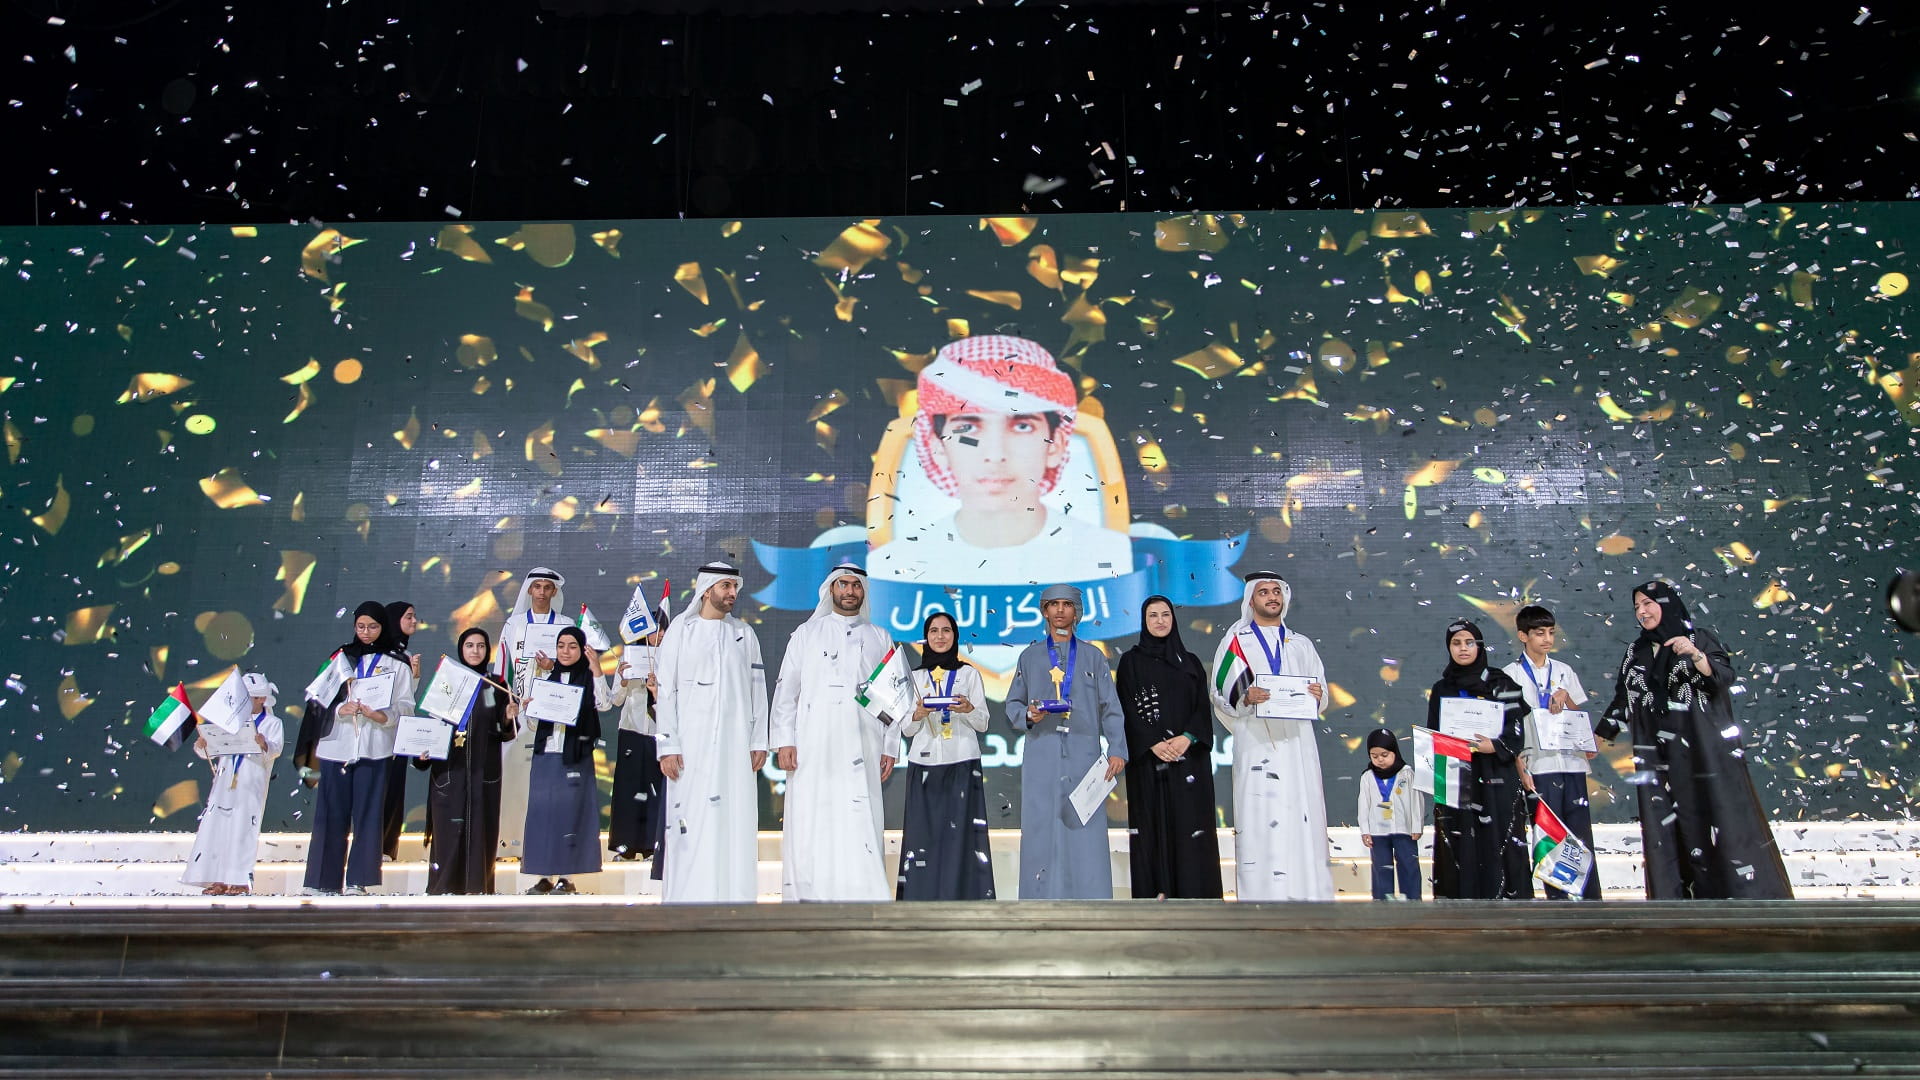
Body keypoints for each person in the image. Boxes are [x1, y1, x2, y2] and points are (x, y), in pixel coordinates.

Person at [866, 334, 1132, 586]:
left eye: (1022, 427)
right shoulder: (892, 566)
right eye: (967, 428)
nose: (994, 455)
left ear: (1055, 445)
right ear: (937, 447)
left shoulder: (1109, 556)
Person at [1597, 581, 1792, 899]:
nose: (1642, 611)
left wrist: (1696, 656)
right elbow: (1624, 699)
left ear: (1667, 603)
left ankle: (1738, 894)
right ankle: (1675, 900)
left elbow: (1724, 677)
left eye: (1648, 603)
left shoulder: (1698, 638)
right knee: (1668, 826)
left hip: (1704, 754)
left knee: (1716, 817)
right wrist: (1598, 736)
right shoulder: (1637, 650)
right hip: (1658, 759)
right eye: (1636, 607)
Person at [770, 564, 898, 902]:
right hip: (813, 742)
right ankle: (810, 891)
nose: (850, 591)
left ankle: (864, 891)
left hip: (864, 741)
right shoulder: (806, 634)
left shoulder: (880, 636)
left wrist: (891, 746)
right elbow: (787, 692)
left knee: (860, 814)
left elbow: (893, 698)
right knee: (814, 814)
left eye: (857, 585)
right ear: (831, 589)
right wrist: (784, 739)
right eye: (844, 584)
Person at [1208, 572, 1335, 902]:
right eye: (1263, 592)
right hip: (1256, 744)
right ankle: (1259, 898)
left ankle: (1310, 895)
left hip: (1298, 745)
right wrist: (1246, 698)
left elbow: (1321, 692)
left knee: (1302, 813)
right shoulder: (1236, 641)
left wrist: (1318, 694)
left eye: (1276, 591)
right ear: (1251, 600)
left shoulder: (1301, 643)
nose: (1271, 597)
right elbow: (1220, 693)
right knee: (1259, 816)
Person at [655, 562, 771, 903]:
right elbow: (665, 692)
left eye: (735, 587)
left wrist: (759, 740)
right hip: (689, 747)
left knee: (733, 820)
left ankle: (733, 898)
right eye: (726, 587)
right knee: (689, 820)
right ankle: (687, 900)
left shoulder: (744, 634)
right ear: (707, 590)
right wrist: (667, 745)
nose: (732, 594)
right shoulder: (681, 629)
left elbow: (757, 690)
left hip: (735, 747)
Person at [1004, 583, 1128, 899]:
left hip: (1086, 756)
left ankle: (1093, 902)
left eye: (1067, 604)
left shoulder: (1093, 657)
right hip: (1041, 754)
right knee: (1041, 828)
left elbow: (1111, 708)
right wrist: (1029, 716)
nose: (1060, 610)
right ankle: (1038, 902)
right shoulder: (1030, 656)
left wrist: (1117, 749)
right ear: (1044, 611)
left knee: (1085, 829)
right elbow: (1013, 706)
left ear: (1077, 612)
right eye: (1054, 604)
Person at [303, 601, 414, 895]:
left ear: (383, 627)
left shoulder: (397, 661)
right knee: (330, 815)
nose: (366, 632)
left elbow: (406, 706)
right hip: (336, 746)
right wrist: (341, 708)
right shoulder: (340, 658)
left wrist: (383, 716)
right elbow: (316, 698)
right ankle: (321, 881)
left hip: (375, 748)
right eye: (361, 627)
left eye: (373, 626)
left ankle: (358, 881)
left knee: (368, 815)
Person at [1116, 595, 1222, 899]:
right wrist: (1152, 743)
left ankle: (1197, 896)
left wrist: (1187, 737)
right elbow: (1126, 708)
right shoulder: (1131, 662)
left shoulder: (1189, 662)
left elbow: (1202, 708)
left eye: (1165, 614)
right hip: (1150, 763)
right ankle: (1156, 897)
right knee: (1153, 828)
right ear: (1144, 621)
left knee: (1191, 828)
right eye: (1153, 615)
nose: (1160, 621)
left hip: (1189, 762)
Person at [1501, 604, 1603, 900]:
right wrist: (1520, 766)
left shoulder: (1564, 671)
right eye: (1538, 633)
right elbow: (1510, 728)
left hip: (1572, 763)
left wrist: (1565, 696)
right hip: (1539, 767)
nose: (1546, 639)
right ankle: (1558, 900)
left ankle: (1588, 899)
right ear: (1522, 635)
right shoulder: (1510, 675)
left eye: (1550, 633)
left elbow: (1577, 716)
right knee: (1549, 836)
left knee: (1580, 836)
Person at [1427, 619, 1532, 900]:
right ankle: (1461, 904)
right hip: (1456, 777)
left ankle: (1507, 903)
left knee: (1498, 838)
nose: (1463, 649)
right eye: (1456, 643)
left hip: (1495, 774)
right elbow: (1435, 735)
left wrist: (1492, 746)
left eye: (1469, 642)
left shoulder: (1502, 683)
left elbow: (1516, 733)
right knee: (1459, 839)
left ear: (1480, 646)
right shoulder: (1442, 689)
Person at [896, 611, 995, 901]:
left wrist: (967, 710)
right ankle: (920, 900)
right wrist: (918, 712)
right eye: (934, 631)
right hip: (923, 765)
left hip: (963, 763)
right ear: (926, 638)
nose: (940, 636)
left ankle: (966, 899)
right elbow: (907, 729)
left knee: (962, 838)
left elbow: (983, 722)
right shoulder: (913, 679)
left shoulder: (969, 674)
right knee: (923, 838)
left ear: (955, 637)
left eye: (946, 631)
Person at [412, 627, 515, 895]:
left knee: (482, 830)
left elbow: (506, 732)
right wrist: (422, 754)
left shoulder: (498, 684)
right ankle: (443, 886)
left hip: (484, 771)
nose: (475, 651)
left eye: (481, 646)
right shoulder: (447, 681)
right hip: (450, 772)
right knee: (448, 832)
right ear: (461, 649)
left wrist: (508, 716)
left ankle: (478, 886)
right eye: (469, 645)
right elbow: (432, 726)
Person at [521, 626, 607, 895]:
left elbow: (604, 705)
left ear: (582, 649)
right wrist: (529, 709)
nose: (566, 651)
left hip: (575, 756)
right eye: (561, 646)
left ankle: (567, 878)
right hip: (547, 754)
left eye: (572, 646)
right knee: (544, 816)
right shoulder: (548, 678)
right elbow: (535, 724)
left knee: (571, 816)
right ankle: (545, 876)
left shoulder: (588, 676)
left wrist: (596, 669)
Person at [181, 673, 283, 896]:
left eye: (255, 698)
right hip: (224, 783)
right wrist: (203, 745)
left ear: (263, 699)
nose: (253, 702)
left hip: (250, 783)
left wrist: (265, 744)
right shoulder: (229, 721)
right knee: (216, 828)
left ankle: (239, 880)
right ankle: (216, 878)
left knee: (243, 830)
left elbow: (275, 750)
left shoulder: (273, 723)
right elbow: (212, 749)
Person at [496, 567, 568, 858]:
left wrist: (554, 668)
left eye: (546, 587)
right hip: (518, 711)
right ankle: (507, 842)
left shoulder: (565, 623)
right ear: (529, 590)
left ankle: (539, 844)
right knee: (513, 776)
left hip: (553, 712)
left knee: (545, 781)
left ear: (554, 592)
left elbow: (572, 664)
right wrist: (507, 705)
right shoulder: (513, 624)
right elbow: (502, 667)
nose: (541, 592)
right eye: (536, 586)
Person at [608, 616, 666, 862]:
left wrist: (657, 689)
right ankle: (626, 846)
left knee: (656, 790)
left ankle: (654, 846)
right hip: (631, 731)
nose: (660, 635)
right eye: (656, 630)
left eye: (664, 629)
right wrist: (622, 681)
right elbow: (615, 699)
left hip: (658, 730)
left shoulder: (672, 657)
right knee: (628, 790)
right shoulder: (629, 656)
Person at [379, 600, 423, 861]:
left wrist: (414, 677)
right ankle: (375, 845)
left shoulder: (404, 657)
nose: (414, 621)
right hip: (379, 733)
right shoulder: (379, 656)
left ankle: (387, 846)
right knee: (380, 791)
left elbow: (406, 700)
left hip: (399, 736)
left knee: (395, 790)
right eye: (409, 617)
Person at [1358, 728, 1422, 901]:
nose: (1380, 760)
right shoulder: (1368, 777)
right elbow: (1363, 805)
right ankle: (1382, 905)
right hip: (1378, 831)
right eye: (1374, 755)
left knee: (1409, 866)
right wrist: (1365, 830)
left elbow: (1416, 801)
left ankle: (1412, 903)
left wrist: (1417, 826)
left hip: (1404, 829)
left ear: (1394, 751)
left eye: (1384, 755)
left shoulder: (1406, 773)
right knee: (1381, 868)